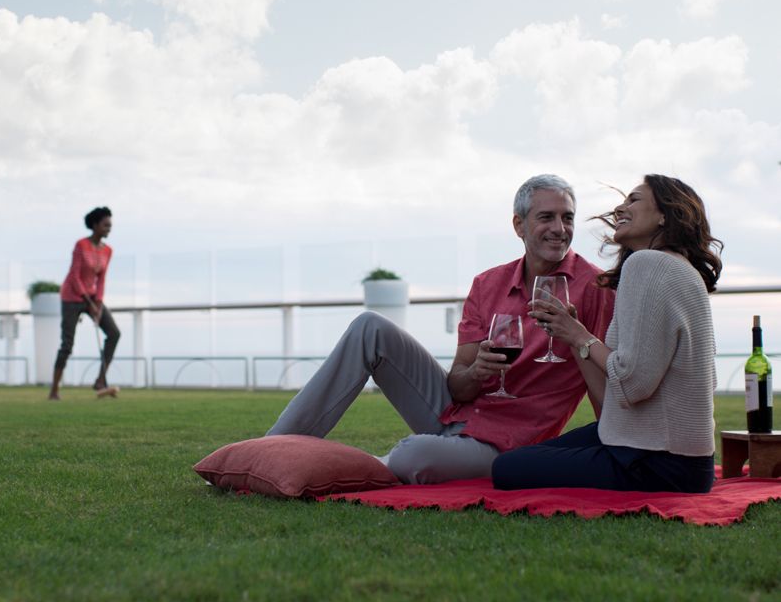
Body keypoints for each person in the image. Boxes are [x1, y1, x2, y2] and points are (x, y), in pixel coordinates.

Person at [267, 174, 615, 483]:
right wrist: (477, 371)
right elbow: (458, 386)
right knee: (368, 326)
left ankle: (331, 469)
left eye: (567, 218)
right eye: (546, 217)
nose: (560, 228)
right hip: (457, 413)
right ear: (519, 225)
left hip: (509, 443)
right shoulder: (488, 284)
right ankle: (270, 451)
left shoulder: (595, 288)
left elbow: (605, 382)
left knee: (411, 456)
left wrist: (614, 448)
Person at [491, 175, 722, 494]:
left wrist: (580, 336)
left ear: (665, 215)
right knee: (524, 459)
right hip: (671, 454)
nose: (620, 207)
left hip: (659, 462)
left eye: (634, 200)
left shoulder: (648, 264)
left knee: (507, 468)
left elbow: (633, 384)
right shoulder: (678, 267)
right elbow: (618, 394)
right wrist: (575, 336)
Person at [48, 207, 121, 401]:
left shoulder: (107, 251)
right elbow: (74, 275)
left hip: (92, 297)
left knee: (113, 333)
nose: (109, 229)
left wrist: (98, 302)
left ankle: (100, 380)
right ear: (95, 225)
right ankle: (54, 390)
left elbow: (102, 279)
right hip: (72, 297)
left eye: (110, 225)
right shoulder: (81, 245)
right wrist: (88, 301)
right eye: (105, 225)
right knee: (67, 344)